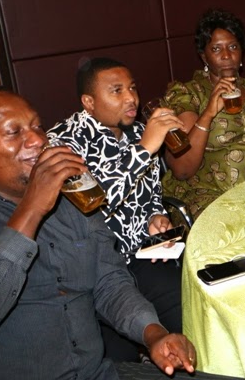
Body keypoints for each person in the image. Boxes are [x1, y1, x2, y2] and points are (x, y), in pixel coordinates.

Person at [0, 87, 245, 380]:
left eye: (35, 126)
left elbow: (109, 281)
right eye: (13, 132)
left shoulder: (74, 198)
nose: (35, 140)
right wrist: (32, 208)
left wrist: (153, 334)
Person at [48, 57, 184, 362]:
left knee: (188, 317)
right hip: (97, 271)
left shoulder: (138, 131)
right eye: (117, 91)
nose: (131, 98)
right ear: (89, 102)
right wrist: (144, 149)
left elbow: (151, 192)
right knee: (118, 367)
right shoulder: (63, 143)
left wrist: (156, 216)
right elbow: (93, 204)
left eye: (132, 88)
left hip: (142, 256)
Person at [162, 8, 245, 219]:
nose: (227, 55)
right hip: (206, 195)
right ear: (204, 56)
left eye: (233, 46)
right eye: (216, 49)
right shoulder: (188, 94)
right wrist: (208, 113)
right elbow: (182, 169)